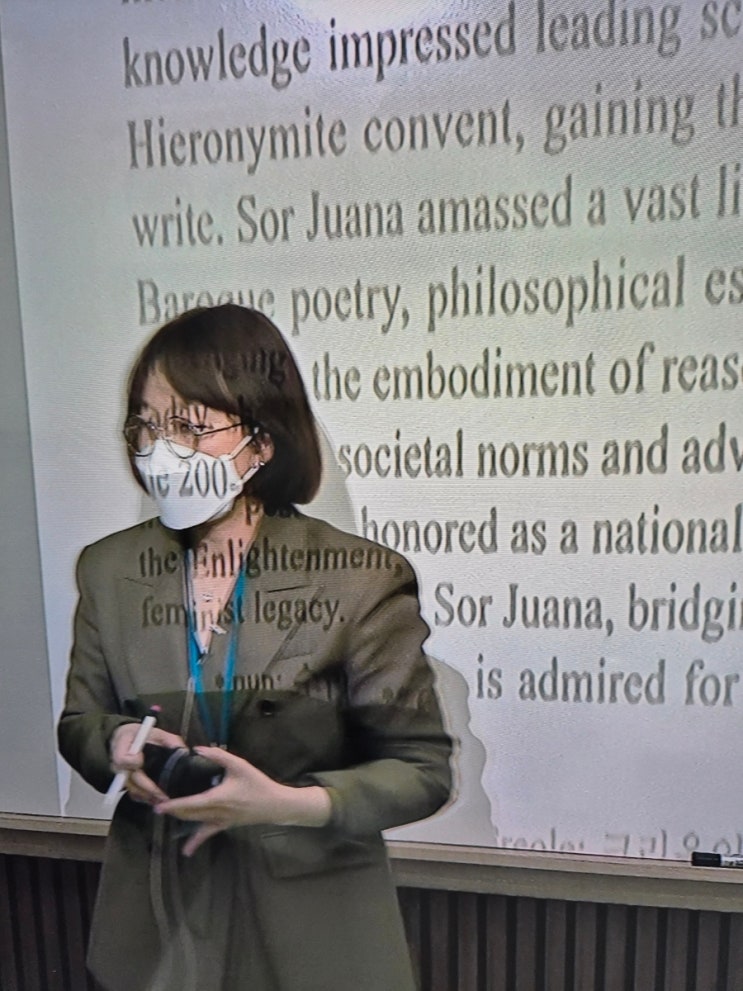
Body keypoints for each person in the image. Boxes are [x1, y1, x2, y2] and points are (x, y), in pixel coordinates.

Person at [58, 304, 453, 991]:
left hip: (311, 934)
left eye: (189, 427)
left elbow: (422, 770)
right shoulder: (108, 568)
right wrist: (117, 739)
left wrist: (286, 803)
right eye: (146, 426)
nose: (160, 451)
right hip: (157, 927)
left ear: (261, 442)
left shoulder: (360, 577)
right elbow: (79, 722)